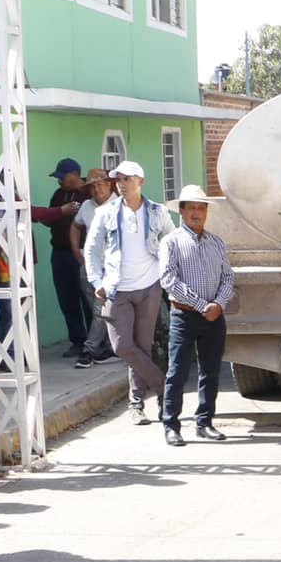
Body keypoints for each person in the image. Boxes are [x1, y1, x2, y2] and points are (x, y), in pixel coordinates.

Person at [84, 160, 171, 424]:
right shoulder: (106, 212)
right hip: (116, 288)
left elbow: (171, 242)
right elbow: (91, 249)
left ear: (140, 181)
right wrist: (96, 280)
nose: (122, 184)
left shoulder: (157, 212)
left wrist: (170, 278)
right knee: (122, 346)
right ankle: (166, 388)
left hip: (149, 288)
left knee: (142, 347)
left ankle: (136, 405)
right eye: (118, 180)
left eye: (127, 179)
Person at [157, 185, 235, 448]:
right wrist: (202, 305)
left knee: (210, 371)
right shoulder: (171, 242)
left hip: (214, 316)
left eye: (201, 208)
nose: (196, 213)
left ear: (206, 212)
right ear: (181, 211)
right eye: (191, 207)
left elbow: (227, 277)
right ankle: (171, 425)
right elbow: (168, 279)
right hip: (184, 315)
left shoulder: (216, 242)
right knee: (177, 371)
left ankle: (204, 422)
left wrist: (218, 304)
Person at [33, 157, 92, 354]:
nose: (59, 181)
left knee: (89, 299)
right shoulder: (58, 194)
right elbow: (54, 217)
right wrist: (45, 218)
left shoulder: (88, 193)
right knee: (67, 300)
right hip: (59, 253)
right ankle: (77, 340)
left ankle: (95, 342)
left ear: (74, 175)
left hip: (83, 254)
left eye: (62, 177)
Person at [70, 168, 115, 367]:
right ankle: (107, 345)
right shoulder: (87, 206)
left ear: (108, 184)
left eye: (99, 184)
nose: (96, 189)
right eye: (92, 186)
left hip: (111, 267)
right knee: (96, 310)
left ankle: (89, 350)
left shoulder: (119, 204)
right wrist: (76, 251)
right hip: (89, 265)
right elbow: (75, 225)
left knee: (100, 308)